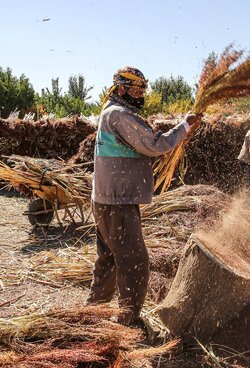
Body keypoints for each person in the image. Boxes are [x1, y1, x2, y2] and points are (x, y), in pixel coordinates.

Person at [86, 66, 202, 326]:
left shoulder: (110, 113)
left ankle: (92, 315)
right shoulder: (119, 114)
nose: (141, 95)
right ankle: (128, 321)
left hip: (105, 199)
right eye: (137, 90)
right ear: (122, 89)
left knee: (109, 260)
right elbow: (154, 144)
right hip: (118, 202)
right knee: (134, 262)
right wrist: (184, 126)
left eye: (143, 89)